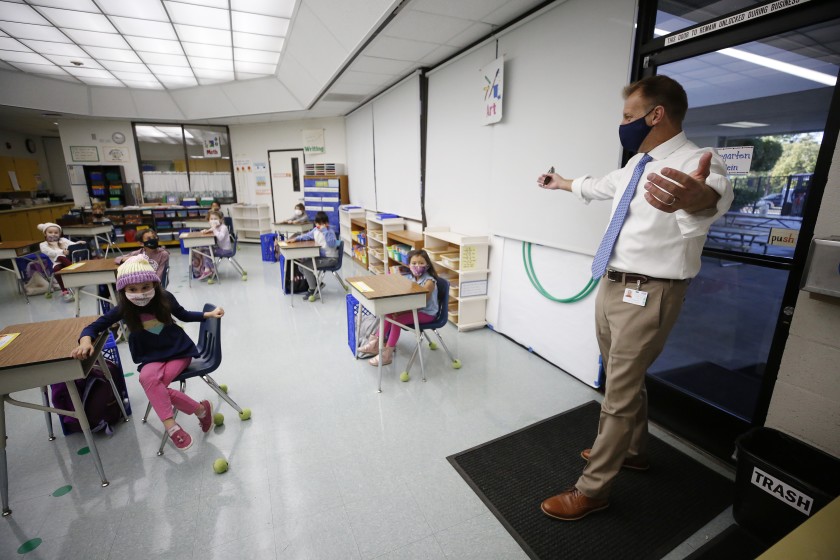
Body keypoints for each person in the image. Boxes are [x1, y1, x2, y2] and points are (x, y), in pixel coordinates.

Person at [536, 75, 733, 521]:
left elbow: (712, 196)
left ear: (656, 114)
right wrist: (562, 182)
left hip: (651, 292)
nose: (622, 124)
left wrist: (696, 198)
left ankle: (593, 490)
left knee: (619, 393)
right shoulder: (636, 165)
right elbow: (601, 186)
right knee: (624, 380)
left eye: (628, 116)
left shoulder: (699, 161)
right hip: (613, 283)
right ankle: (635, 451)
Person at [71, 255, 224, 450]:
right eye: (132, 289)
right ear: (123, 290)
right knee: (148, 379)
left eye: (145, 287)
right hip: (151, 356)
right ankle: (201, 409)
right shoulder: (123, 308)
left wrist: (208, 314)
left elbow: (183, 314)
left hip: (179, 351)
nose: (140, 293)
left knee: (153, 385)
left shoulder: (165, 297)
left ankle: (172, 427)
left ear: (154, 283)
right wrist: (85, 341)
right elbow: (93, 327)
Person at [360, 249, 440, 366]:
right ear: (408, 265)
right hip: (413, 310)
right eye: (414, 263)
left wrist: (401, 312)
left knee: (396, 320)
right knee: (388, 314)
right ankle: (375, 344)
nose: (417, 266)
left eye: (421, 263)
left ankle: (386, 355)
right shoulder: (411, 278)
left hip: (427, 314)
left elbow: (419, 303)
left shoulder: (429, 282)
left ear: (427, 265)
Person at [286, 211, 339, 301]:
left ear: (327, 223)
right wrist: (295, 239)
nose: (320, 226)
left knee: (306, 267)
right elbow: (306, 236)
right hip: (321, 258)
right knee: (301, 267)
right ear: (315, 223)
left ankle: (313, 289)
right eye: (318, 223)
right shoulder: (315, 230)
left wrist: (325, 231)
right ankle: (318, 284)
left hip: (330, 259)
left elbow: (332, 244)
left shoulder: (330, 231)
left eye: (323, 223)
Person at [37, 222, 86, 303]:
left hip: (68, 260)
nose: (53, 234)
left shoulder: (63, 240)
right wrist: (62, 251)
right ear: (45, 234)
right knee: (57, 267)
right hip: (57, 262)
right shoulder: (43, 244)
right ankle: (66, 291)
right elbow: (49, 252)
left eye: (56, 232)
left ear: (59, 234)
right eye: (50, 232)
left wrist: (78, 243)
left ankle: (75, 277)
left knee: (60, 262)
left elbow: (72, 245)